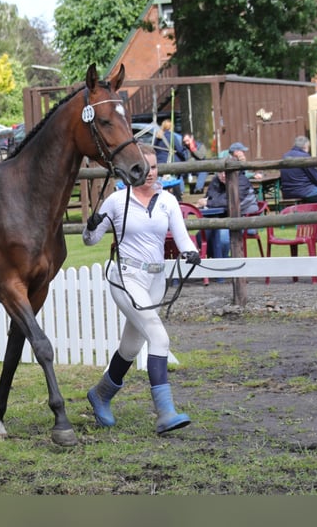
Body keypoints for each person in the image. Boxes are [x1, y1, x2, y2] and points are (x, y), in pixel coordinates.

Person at [82, 143, 200, 435]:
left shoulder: (167, 201)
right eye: (143, 168)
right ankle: (165, 412)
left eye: (155, 167)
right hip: (126, 276)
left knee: (131, 347)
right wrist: (91, 225)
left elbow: (183, 239)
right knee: (158, 338)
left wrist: (191, 252)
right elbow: (90, 240)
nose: (150, 174)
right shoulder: (117, 200)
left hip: (155, 280)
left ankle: (100, 395)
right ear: (133, 170)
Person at [196, 169, 258, 260]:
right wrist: (209, 202)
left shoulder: (241, 181)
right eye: (220, 172)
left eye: (226, 172)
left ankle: (223, 264)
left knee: (222, 238)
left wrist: (208, 203)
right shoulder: (216, 181)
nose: (223, 175)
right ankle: (218, 259)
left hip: (246, 220)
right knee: (201, 236)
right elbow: (211, 197)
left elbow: (230, 202)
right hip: (222, 220)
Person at [153, 119, 188, 200]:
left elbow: (155, 150)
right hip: (170, 162)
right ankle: (179, 196)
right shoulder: (171, 136)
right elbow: (179, 149)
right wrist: (184, 157)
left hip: (160, 163)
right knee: (176, 179)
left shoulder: (158, 137)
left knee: (162, 183)